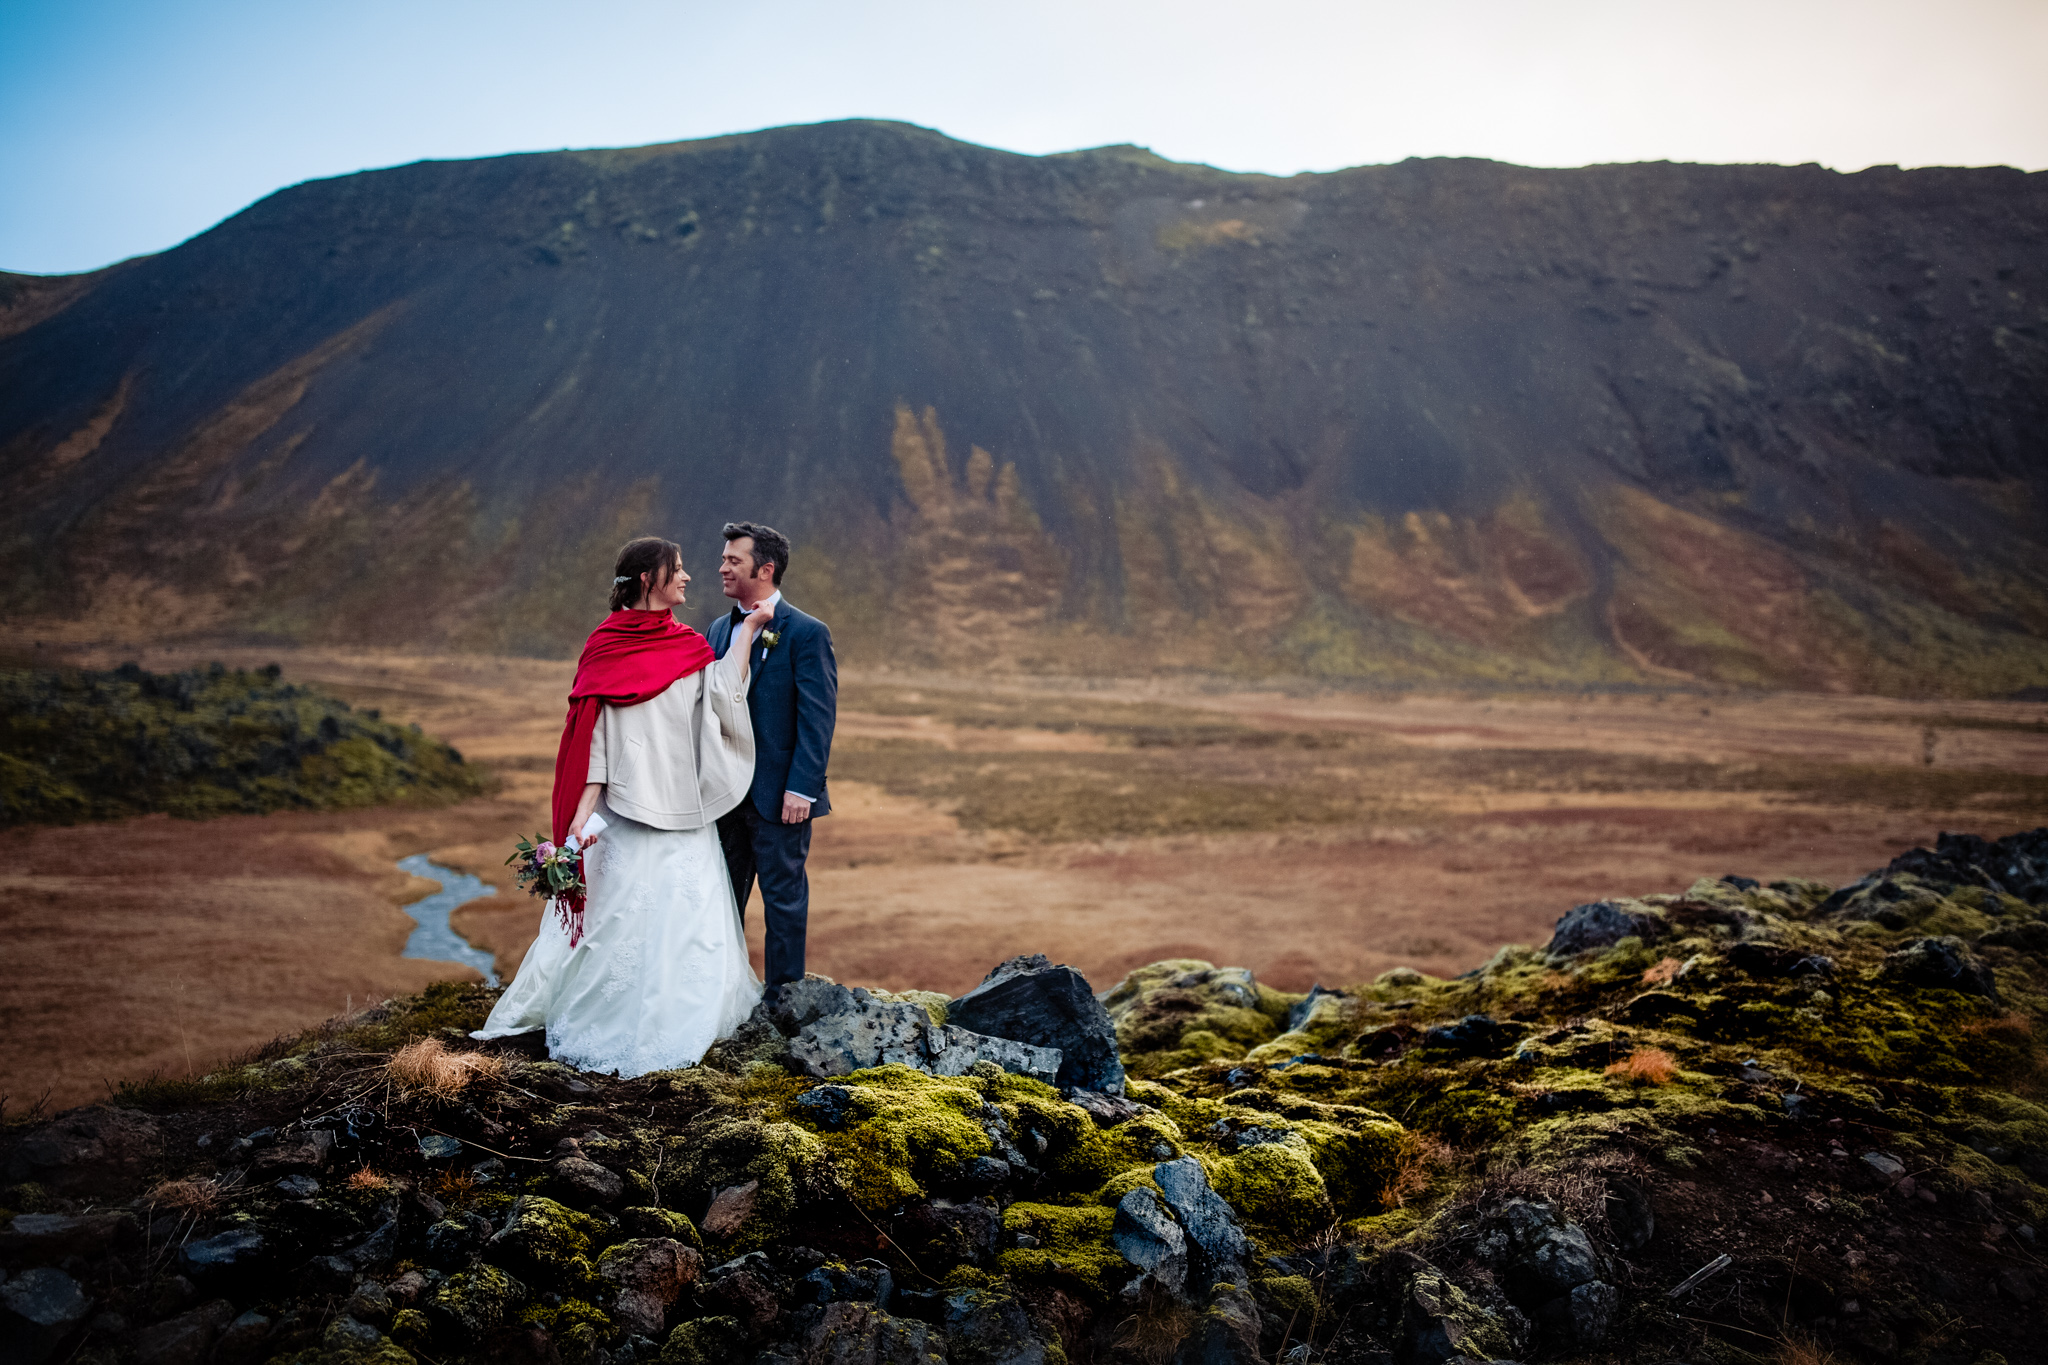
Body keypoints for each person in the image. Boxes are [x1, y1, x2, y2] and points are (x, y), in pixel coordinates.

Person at [472, 536, 775, 1075]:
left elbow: (722, 696)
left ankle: (687, 1018)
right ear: (646, 580)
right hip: (628, 812)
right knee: (617, 927)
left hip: (683, 810)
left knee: (688, 924)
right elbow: (596, 740)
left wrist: (749, 631)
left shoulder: (688, 644)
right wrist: (579, 822)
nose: (686, 578)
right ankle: (606, 1023)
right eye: (676, 570)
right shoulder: (606, 646)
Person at [705, 521, 838, 1005]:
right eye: (723, 558)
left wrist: (801, 789)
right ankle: (724, 993)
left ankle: (785, 1000)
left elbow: (817, 718)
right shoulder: (719, 629)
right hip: (725, 796)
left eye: (732, 560)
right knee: (720, 897)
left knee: (783, 900)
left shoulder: (806, 633)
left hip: (780, 797)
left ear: (765, 569)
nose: (721, 567)